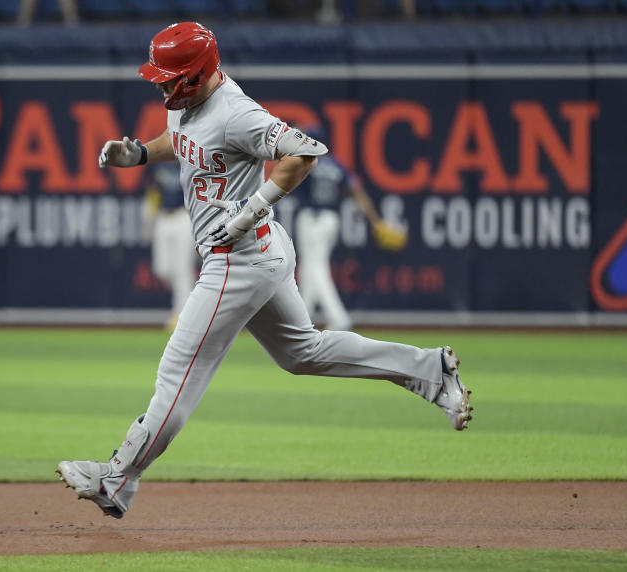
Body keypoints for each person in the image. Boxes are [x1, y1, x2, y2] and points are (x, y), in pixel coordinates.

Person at [57, 22, 473, 519]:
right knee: (304, 352)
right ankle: (431, 369)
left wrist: (253, 206)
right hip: (260, 252)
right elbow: (184, 140)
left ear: (199, 74)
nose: (162, 87)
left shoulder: (235, 113)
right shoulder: (189, 107)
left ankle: (118, 478)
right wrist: (143, 154)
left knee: (176, 374)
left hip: (240, 258)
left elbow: (305, 152)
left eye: (170, 78)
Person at [291, 132, 407, 331]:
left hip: (312, 218)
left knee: (316, 267)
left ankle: (338, 317)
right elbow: (357, 192)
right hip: (331, 220)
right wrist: (375, 221)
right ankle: (302, 317)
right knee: (309, 268)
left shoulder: (306, 163)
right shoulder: (337, 166)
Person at [145, 163, 196, 330]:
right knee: (163, 269)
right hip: (163, 217)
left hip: (184, 216)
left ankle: (182, 315)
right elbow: (153, 193)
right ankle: (185, 308)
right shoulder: (159, 166)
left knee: (182, 269)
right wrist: (149, 220)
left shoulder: (191, 162)